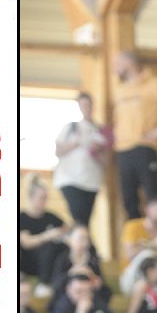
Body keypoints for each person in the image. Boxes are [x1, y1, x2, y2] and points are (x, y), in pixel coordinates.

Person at [112, 51, 157, 221]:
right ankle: (135, 232)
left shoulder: (153, 84)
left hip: (144, 146)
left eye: (117, 64)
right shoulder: (120, 89)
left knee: (152, 195)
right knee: (129, 198)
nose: (114, 68)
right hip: (122, 149)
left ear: (129, 63)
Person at [52, 91, 110, 227]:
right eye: (83, 105)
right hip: (70, 179)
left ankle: (82, 239)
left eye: (88, 105)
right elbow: (57, 151)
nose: (86, 108)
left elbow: (107, 161)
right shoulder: (70, 128)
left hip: (91, 181)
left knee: (84, 221)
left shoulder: (100, 130)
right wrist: (74, 143)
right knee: (79, 219)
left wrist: (97, 151)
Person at [19, 177, 68, 297]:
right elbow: (27, 243)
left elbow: (67, 229)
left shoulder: (51, 217)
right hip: (27, 261)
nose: (44, 201)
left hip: (51, 262)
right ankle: (44, 284)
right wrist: (48, 235)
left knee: (64, 246)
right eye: (41, 197)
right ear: (31, 197)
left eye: (46, 198)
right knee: (48, 245)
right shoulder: (22, 218)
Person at [119, 195, 157, 293]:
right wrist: (154, 244)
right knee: (148, 255)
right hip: (132, 279)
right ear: (147, 210)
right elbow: (129, 254)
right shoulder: (133, 226)